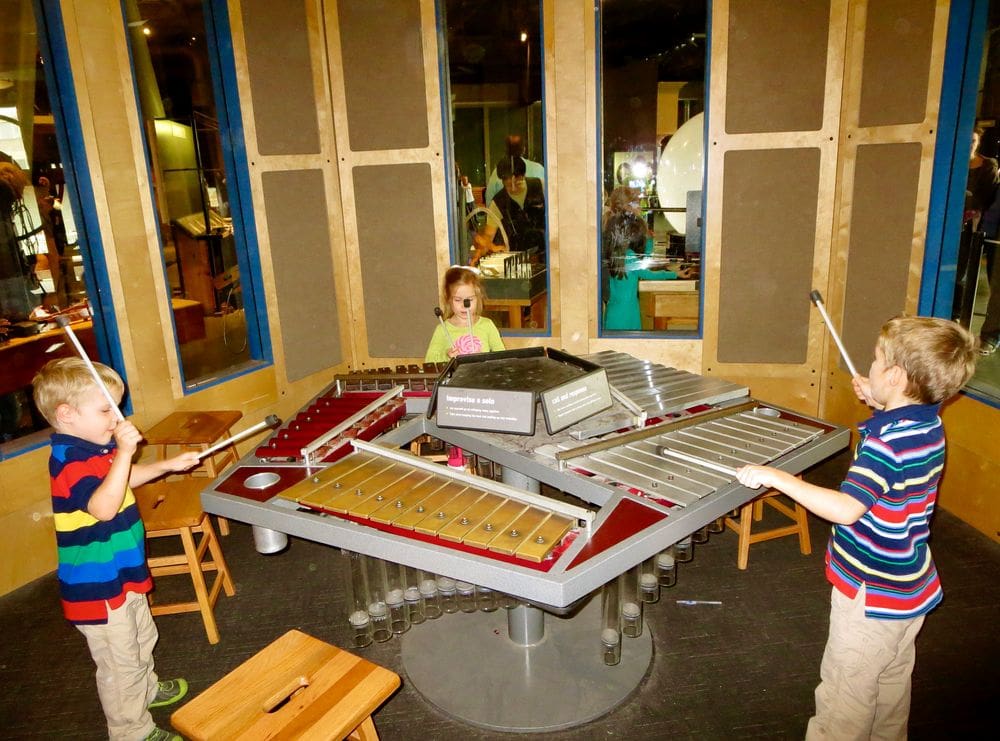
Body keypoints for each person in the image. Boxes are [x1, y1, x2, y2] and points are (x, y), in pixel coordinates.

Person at [735, 316, 978, 740]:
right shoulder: (928, 424)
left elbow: (847, 509)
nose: (870, 365)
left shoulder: (886, 444)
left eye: (877, 360)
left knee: (845, 699)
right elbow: (901, 422)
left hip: (870, 594)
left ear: (898, 377)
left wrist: (780, 477)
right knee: (890, 687)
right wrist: (881, 400)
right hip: (908, 589)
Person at [32, 357, 202, 741]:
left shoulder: (96, 447)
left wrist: (168, 466)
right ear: (67, 414)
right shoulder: (70, 460)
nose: (117, 418)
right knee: (119, 663)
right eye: (106, 409)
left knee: (142, 637)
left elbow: (121, 481)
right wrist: (124, 452)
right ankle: (132, 731)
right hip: (97, 585)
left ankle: (146, 689)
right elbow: (104, 505)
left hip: (121, 571)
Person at [602, 211, 692, 331]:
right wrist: (675, 274)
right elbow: (648, 272)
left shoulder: (615, 254)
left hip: (614, 311)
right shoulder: (629, 256)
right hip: (627, 312)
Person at [425, 266, 505, 363]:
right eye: (458, 300)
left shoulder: (487, 325)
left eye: (469, 300)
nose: (464, 305)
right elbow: (429, 362)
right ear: (448, 299)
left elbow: (502, 358)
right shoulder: (442, 329)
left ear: (478, 298)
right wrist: (446, 356)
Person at [486, 155, 546, 261]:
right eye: (509, 185)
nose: (513, 189)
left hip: (546, 255)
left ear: (523, 176)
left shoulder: (541, 186)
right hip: (517, 260)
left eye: (517, 184)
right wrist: (490, 246)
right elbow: (488, 235)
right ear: (502, 181)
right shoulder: (497, 203)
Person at [484, 134, 544, 205]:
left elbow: (489, 205)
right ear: (524, 149)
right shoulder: (539, 169)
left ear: (506, 150)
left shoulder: (497, 173)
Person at [964, 127, 998, 230]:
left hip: (975, 218)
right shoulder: (953, 163)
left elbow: (987, 198)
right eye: (966, 141)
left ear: (978, 143)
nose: (970, 145)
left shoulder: (988, 165)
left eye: (973, 141)